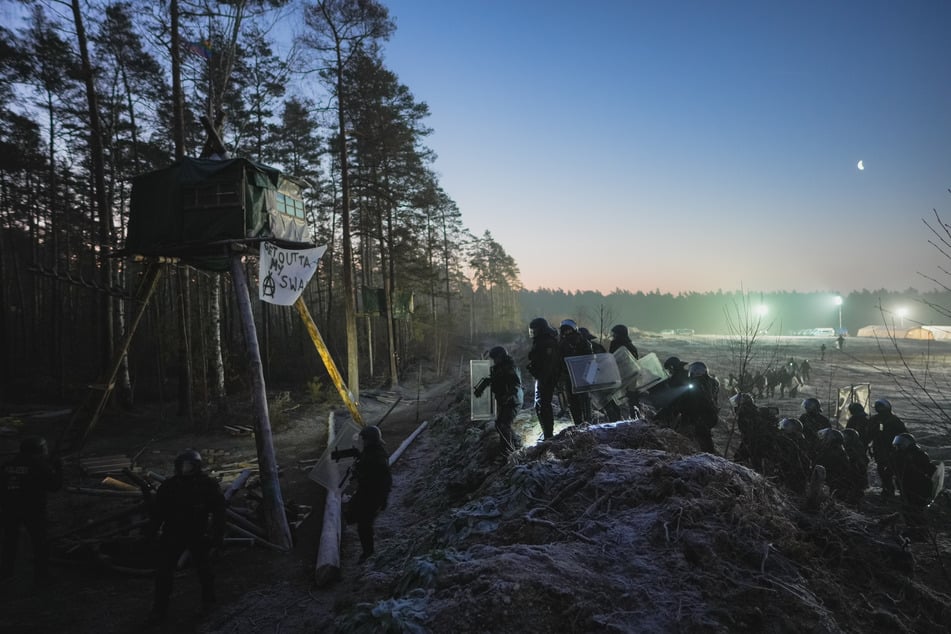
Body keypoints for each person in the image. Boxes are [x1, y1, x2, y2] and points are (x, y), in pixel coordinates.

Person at [147, 450, 225, 624]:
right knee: (164, 573)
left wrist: (218, 535)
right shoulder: (169, 486)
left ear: (196, 467)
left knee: (204, 570)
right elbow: (158, 513)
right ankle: (159, 609)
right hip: (173, 533)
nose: (184, 469)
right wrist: (151, 532)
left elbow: (219, 511)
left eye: (188, 466)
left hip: (197, 532)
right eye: (182, 466)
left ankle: (208, 602)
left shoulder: (207, 485)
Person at [0, 436, 63, 586]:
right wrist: (58, 468)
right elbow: (54, 486)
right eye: (44, 448)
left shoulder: (7, 465)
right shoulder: (38, 465)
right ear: (38, 450)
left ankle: (6, 573)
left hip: (10, 509)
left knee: (10, 542)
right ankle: (42, 576)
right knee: (39, 542)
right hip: (33, 509)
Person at [346, 426, 392, 562]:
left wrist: (358, 473)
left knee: (364, 524)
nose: (362, 442)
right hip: (370, 492)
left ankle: (368, 553)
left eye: (364, 439)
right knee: (355, 517)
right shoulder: (372, 452)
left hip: (372, 494)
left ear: (369, 440)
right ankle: (368, 551)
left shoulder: (376, 456)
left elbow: (377, 478)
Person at [474, 346, 523, 453]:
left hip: (513, 401)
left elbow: (516, 385)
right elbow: (493, 379)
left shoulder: (509, 367)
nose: (494, 361)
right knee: (500, 425)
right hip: (506, 401)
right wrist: (482, 387)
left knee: (503, 425)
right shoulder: (500, 368)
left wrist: (507, 396)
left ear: (501, 357)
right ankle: (514, 444)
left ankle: (509, 451)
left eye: (495, 358)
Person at [891, 433, 938, 535]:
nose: (898, 446)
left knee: (916, 510)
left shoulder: (918, 454)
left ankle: (921, 532)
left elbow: (930, 469)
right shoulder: (899, 455)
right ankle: (913, 530)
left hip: (918, 488)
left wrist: (934, 480)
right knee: (907, 510)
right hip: (906, 487)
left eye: (901, 443)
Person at [670, 361, 719, 453]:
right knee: (704, 438)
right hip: (708, 416)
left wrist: (680, 409)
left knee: (701, 438)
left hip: (699, 417)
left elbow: (690, 402)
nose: (695, 373)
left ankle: (706, 457)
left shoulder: (697, 384)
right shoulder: (711, 383)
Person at [527, 317, 561, 439]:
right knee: (540, 405)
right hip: (543, 378)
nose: (533, 333)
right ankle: (546, 431)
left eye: (535, 330)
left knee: (544, 406)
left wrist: (542, 377)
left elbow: (548, 364)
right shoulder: (543, 341)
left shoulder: (547, 342)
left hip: (546, 379)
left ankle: (548, 434)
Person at [557, 319, 593, 425]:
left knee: (580, 402)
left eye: (568, 330)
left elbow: (591, 360)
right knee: (577, 402)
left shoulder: (579, 342)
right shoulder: (581, 341)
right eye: (565, 331)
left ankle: (583, 425)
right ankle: (583, 425)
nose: (566, 333)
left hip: (578, 377)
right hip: (574, 377)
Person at [869, 398, 907, 499]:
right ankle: (887, 490)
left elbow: (904, 435)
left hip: (892, 450)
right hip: (880, 450)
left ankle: (902, 492)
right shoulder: (874, 420)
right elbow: (868, 434)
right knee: (883, 471)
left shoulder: (894, 420)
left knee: (896, 472)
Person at [814, 428, 855, 502]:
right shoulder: (836, 449)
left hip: (834, 487)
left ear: (830, 439)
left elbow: (820, 465)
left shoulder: (833, 452)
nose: (823, 439)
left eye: (825, 437)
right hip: (835, 485)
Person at [773, 418, 812, 495]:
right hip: (790, 474)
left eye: (787, 425)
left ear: (793, 429)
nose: (784, 427)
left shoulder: (796, 441)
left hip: (794, 477)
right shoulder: (787, 439)